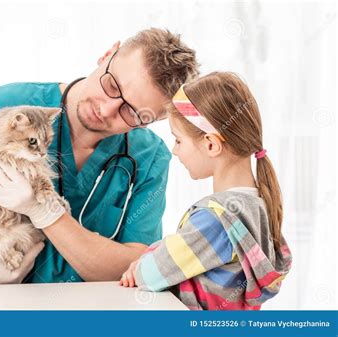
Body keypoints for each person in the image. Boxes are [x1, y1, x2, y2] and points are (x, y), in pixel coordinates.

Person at [0, 28, 199, 286]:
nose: (106, 109)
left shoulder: (149, 157)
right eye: (112, 85)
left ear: (154, 120)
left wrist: (48, 214)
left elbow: (137, 266)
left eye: (132, 112)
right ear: (107, 55)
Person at [119, 72, 292, 310]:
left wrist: (139, 265)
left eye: (178, 140)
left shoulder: (217, 220)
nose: (174, 151)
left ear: (211, 144)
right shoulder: (259, 206)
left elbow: (151, 274)